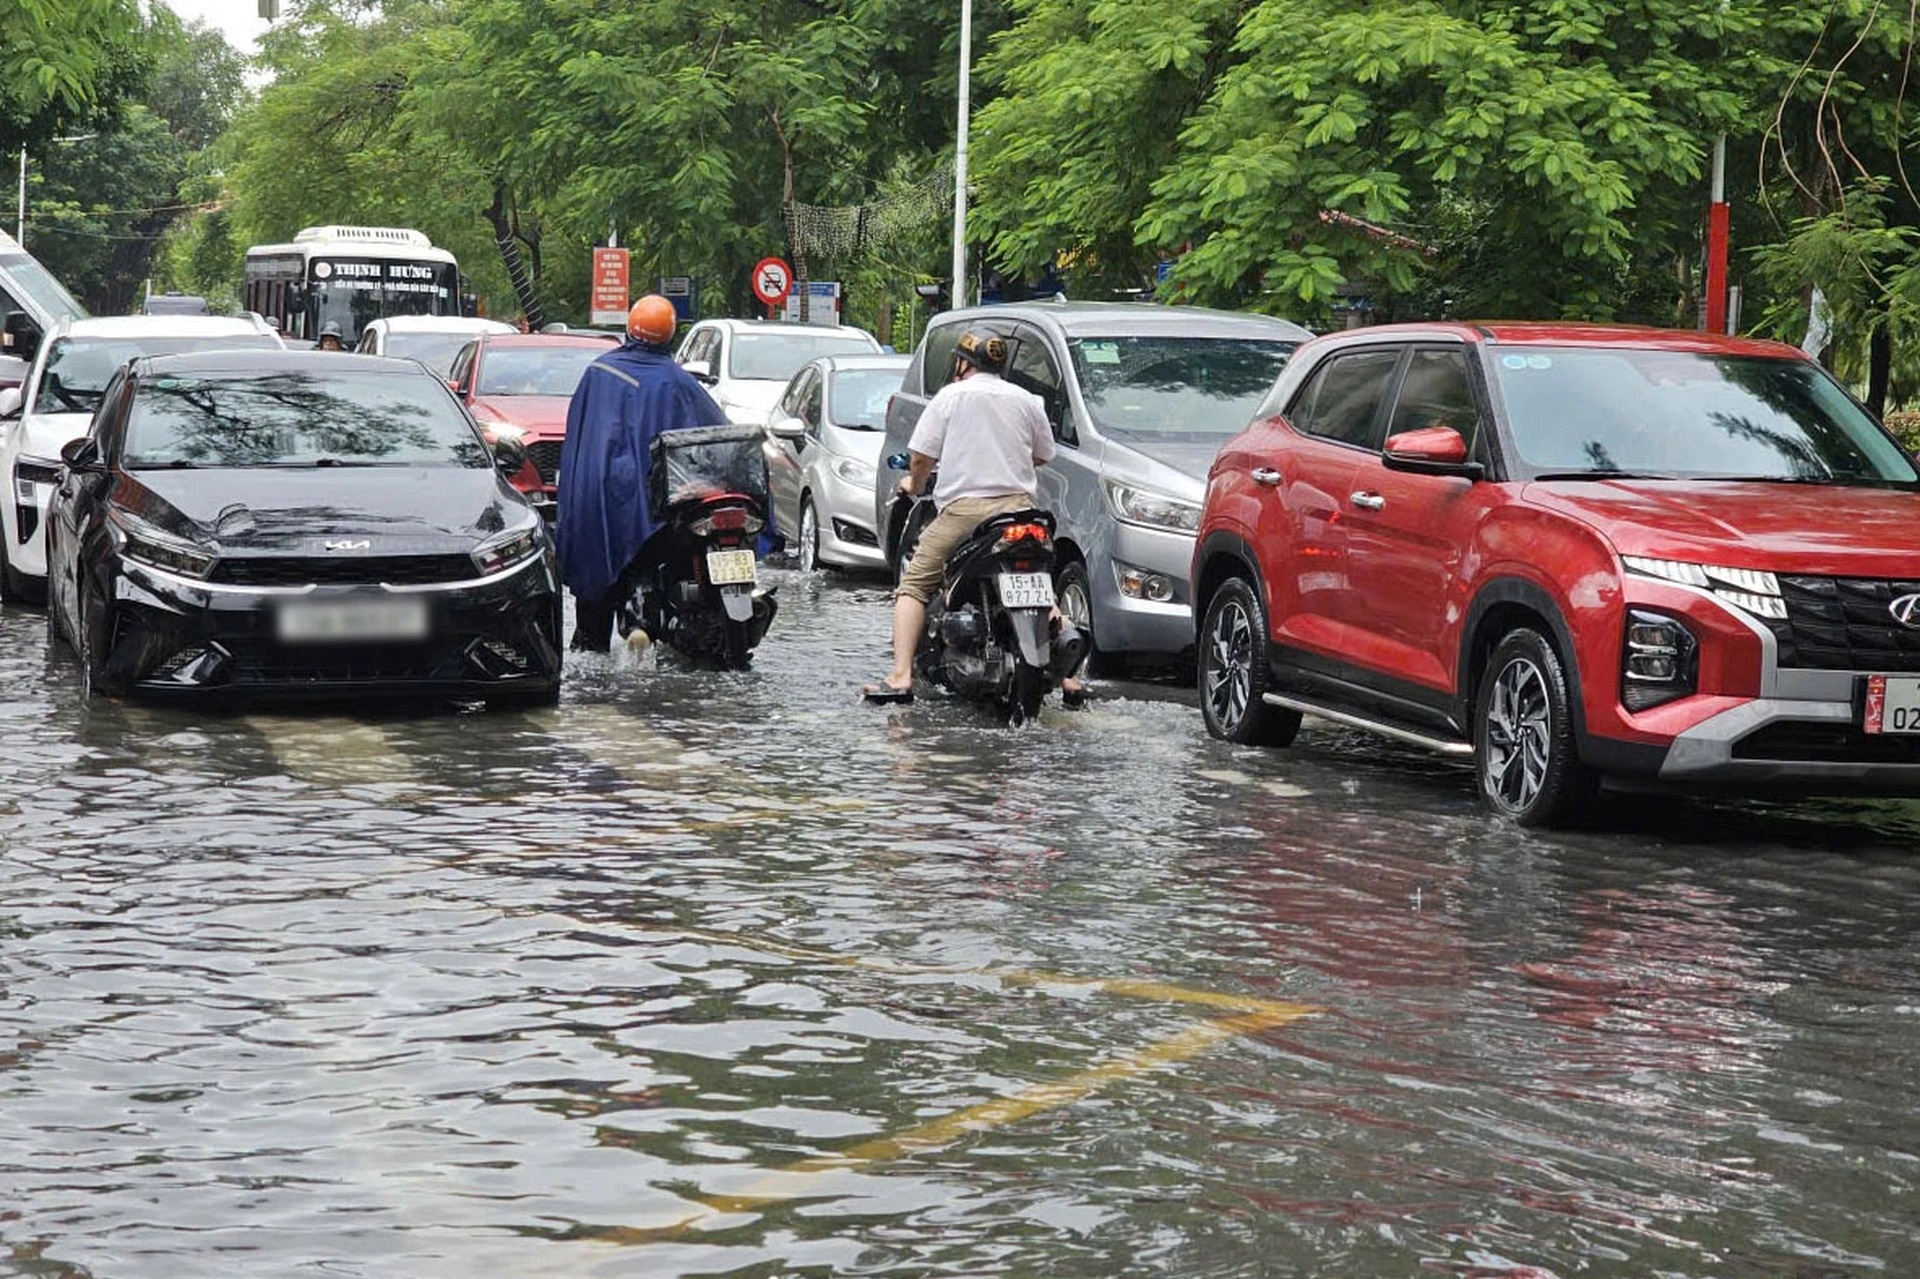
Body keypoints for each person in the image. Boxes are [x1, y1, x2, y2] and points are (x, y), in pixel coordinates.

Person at [862, 328, 1077, 704]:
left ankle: (900, 676)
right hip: (1021, 510)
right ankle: (1068, 679)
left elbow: (920, 457)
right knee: (1041, 583)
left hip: (965, 512)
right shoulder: (1027, 399)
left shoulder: (951, 396)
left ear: (963, 362)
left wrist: (914, 483)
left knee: (914, 584)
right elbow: (1043, 454)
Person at [555, 294, 726, 652]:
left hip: (596, 498)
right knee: (649, 554)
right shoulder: (679, 383)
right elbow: (716, 434)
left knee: (595, 578)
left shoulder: (598, 373)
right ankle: (641, 623)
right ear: (670, 335)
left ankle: (593, 645)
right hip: (653, 502)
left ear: (630, 328)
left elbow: (577, 441)